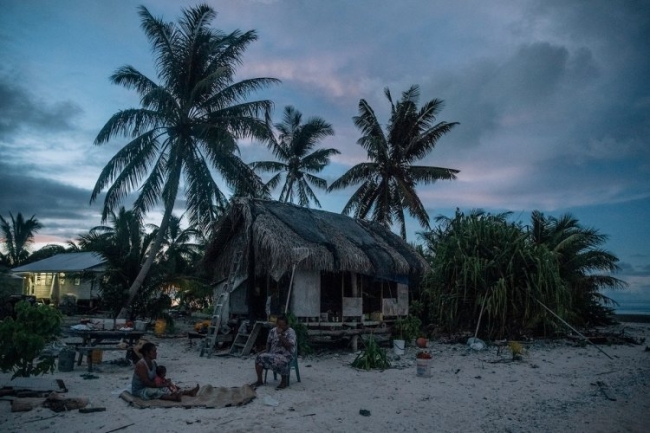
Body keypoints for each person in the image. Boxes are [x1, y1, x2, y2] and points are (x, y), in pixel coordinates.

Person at [131, 342, 199, 401]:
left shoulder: (153, 363)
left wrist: (165, 382)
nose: (156, 353)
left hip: (151, 385)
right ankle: (174, 398)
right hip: (140, 390)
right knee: (156, 391)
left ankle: (188, 392)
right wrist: (163, 385)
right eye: (154, 351)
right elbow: (147, 383)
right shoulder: (141, 365)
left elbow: (158, 376)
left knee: (171, 385)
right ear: (147, 353)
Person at [251, 314, 296, 390]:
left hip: (286, 355)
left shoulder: (291, 332)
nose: (280, 327)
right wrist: (266, 351)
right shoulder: (273, 331)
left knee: (281, 360)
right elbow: (268, 342)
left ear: (287, 325)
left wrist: (280, 335)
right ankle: (259, 380)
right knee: (259, 357)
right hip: (273, 353)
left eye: (282, 326)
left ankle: (284, 382)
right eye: (279, 325)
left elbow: (289, 346)